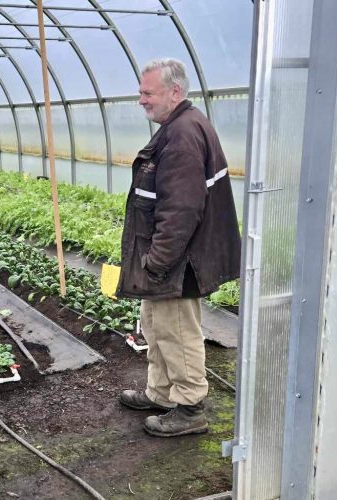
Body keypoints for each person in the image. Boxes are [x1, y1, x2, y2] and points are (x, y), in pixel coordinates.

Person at [116, 58, 241, 437]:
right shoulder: (176, 127)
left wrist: (157, 261)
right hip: (167, 257)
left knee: (177, 330)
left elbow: (182, 209)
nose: (141, 100)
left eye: (147, 93)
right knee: (155, 324)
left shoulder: (184, 134)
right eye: (141, 92)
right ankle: (162, 393)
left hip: (179, 260)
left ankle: (189, 406)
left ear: (174, 92)